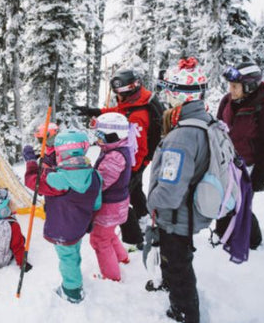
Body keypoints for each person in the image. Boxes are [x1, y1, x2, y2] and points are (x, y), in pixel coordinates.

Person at [146, 57, 210, 323]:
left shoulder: (182, 136)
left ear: (178, 95)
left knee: (178, 264)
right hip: (183, 211)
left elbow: (170, 190)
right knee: (175, 257)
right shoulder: (200, 119)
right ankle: (170, 285)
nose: (166, 97)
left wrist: (152, 203)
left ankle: (184, 312)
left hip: (175, 215)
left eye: (168, 91)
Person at [76, 68, 154, 249]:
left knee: (120, 199)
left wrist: (131, 170)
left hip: (132, 163)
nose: (117, 98)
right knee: (134, 195)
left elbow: (140, 148)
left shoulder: (138, 116)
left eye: (119, 94)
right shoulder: (135, 102)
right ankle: (145, 222)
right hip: (131, 162)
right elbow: (120, 111)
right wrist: (96, 111)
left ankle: (134, 239)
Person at [23, 130, 102, 303]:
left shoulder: (58, 179)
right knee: (73, 253)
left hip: (62, 229)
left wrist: (30, 162)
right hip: (79, 225)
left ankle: (72, 290)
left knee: (67, 258)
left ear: (60, 152)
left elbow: (32, 182)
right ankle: (75, 277)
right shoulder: (95, 175)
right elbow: (96, 203)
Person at [217, 62, 264, 249]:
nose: (231, 90)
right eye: (230, 85)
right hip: (227, 162)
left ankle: (253, 241)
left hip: (248, 166)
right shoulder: (227, 101)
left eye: (235, 86)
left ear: (249, 87)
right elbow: (219, 128)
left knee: (241, 204)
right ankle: (223, 234)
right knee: (225, 199)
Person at [89, 112, 135, 281]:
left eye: (101, 136)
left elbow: (100, 183)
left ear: (114, 136)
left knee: (99, 240)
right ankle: (122, 258)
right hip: (117, 205)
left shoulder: (114, 157)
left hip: (110, 206)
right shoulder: (115, 148)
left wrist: (85, 181)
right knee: (109, 235)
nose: (98, 140)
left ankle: (111, 277)